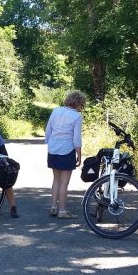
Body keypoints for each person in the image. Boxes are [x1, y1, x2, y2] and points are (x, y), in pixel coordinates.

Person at [45, 91, 86, 219]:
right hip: (66, 150)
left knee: (56, 179)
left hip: (53, 149)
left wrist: (49, 143)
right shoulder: (77, 117)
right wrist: (79, 155)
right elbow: (76, 139)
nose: (82, 108)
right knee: (64, 182)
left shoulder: (56, 111)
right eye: (82, 105)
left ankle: (53, 207)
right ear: (78, 103)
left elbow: (48, 130)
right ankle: (62, 211)